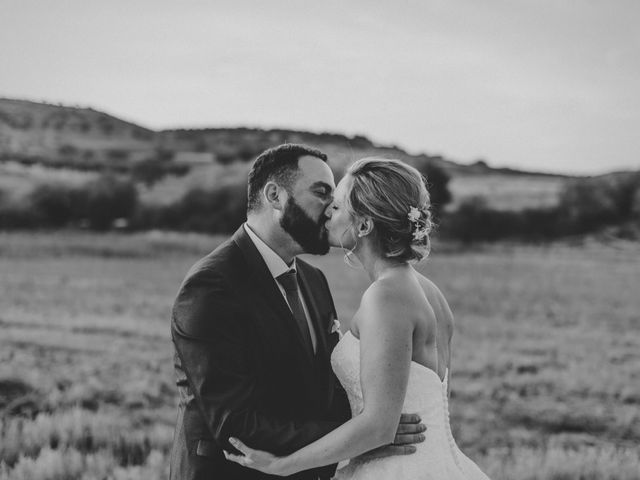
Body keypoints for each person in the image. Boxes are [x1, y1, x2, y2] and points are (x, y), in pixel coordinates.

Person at [224, 158, 491, 479]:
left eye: (336, 208)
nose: (326, 213)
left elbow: (379, 426)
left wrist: (282, 465)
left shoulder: (386, 297)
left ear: (364, 226)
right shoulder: (428, 291)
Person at [170, 145, 426, 480]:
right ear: (275, 195)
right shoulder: (211, 287)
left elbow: (324, 387)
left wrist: (372, 428)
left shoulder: (313, 280)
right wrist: (359, 439)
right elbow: (236, 424)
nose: (332, 207)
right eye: (321, 193)